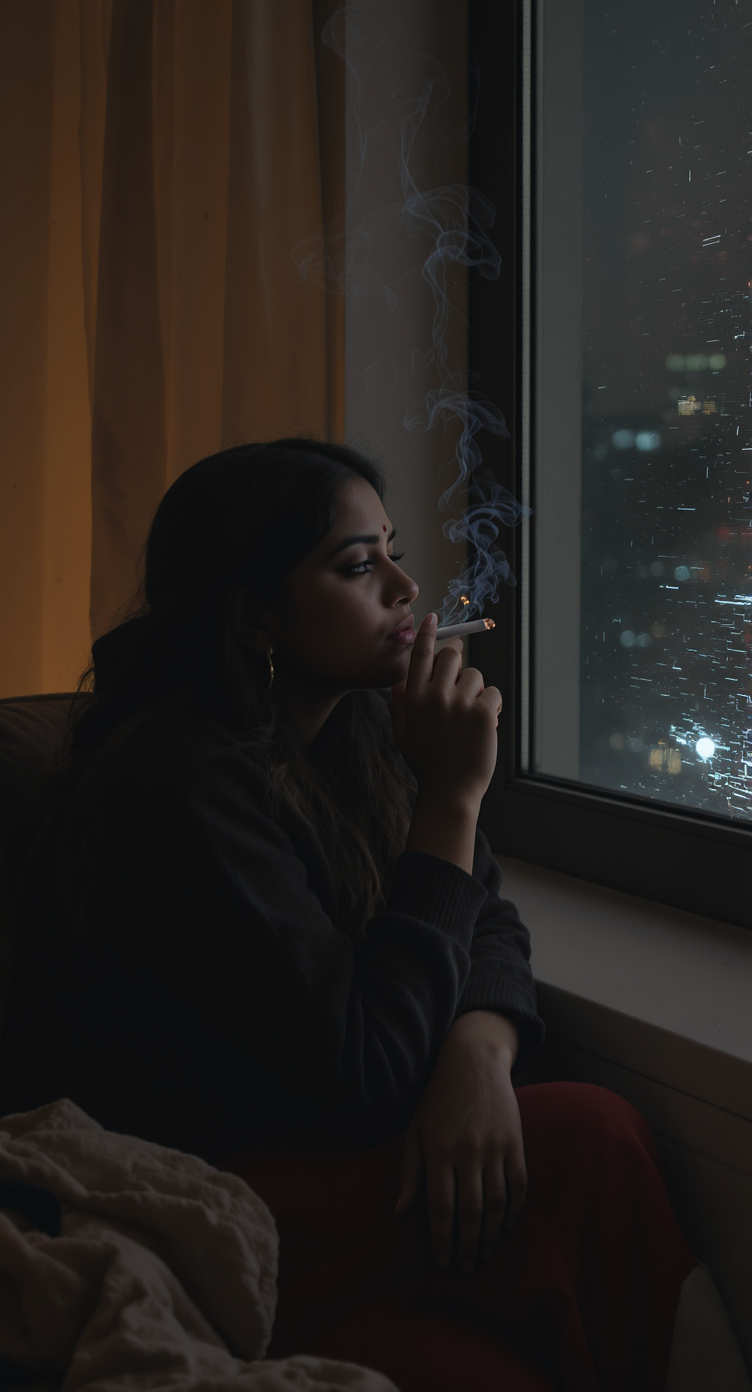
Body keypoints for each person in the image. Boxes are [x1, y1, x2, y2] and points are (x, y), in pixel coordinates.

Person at [0, 439, 697, 1391]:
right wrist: (453, 799)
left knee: (484, 1364)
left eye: (394, 551)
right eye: (359, 566)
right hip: (209, 1200)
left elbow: (481, 914)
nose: (406, 587)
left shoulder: (356, 725)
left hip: (335, 1169)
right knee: (589, 1137)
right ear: (255, 617)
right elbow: (363, 1075)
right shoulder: (182, 789)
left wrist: (479, 1058)